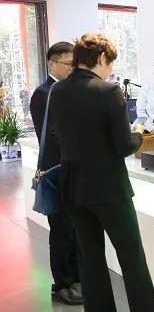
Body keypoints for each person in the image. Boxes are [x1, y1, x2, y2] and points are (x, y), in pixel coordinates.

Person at [49, 33, 154, 312]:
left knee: (90, 259)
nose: (111, 69)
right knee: (132, 258)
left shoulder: (57, 91)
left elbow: (60, 136)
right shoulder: (109, 92)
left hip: (74, 188)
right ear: (100, 58)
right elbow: (124, 146)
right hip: (110, 190)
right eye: (110, 62)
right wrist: (139, 133)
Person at [29, 41, 83, 305]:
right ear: (52, 63)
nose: (72, 68)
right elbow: (51, 135)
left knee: (74, 229)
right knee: (61, 230)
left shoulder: (68, 90)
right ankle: (62, 284)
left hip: (73, 170)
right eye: (68, 63)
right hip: (56, 171)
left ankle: (75, 279)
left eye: (75, 64)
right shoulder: (43, 94)